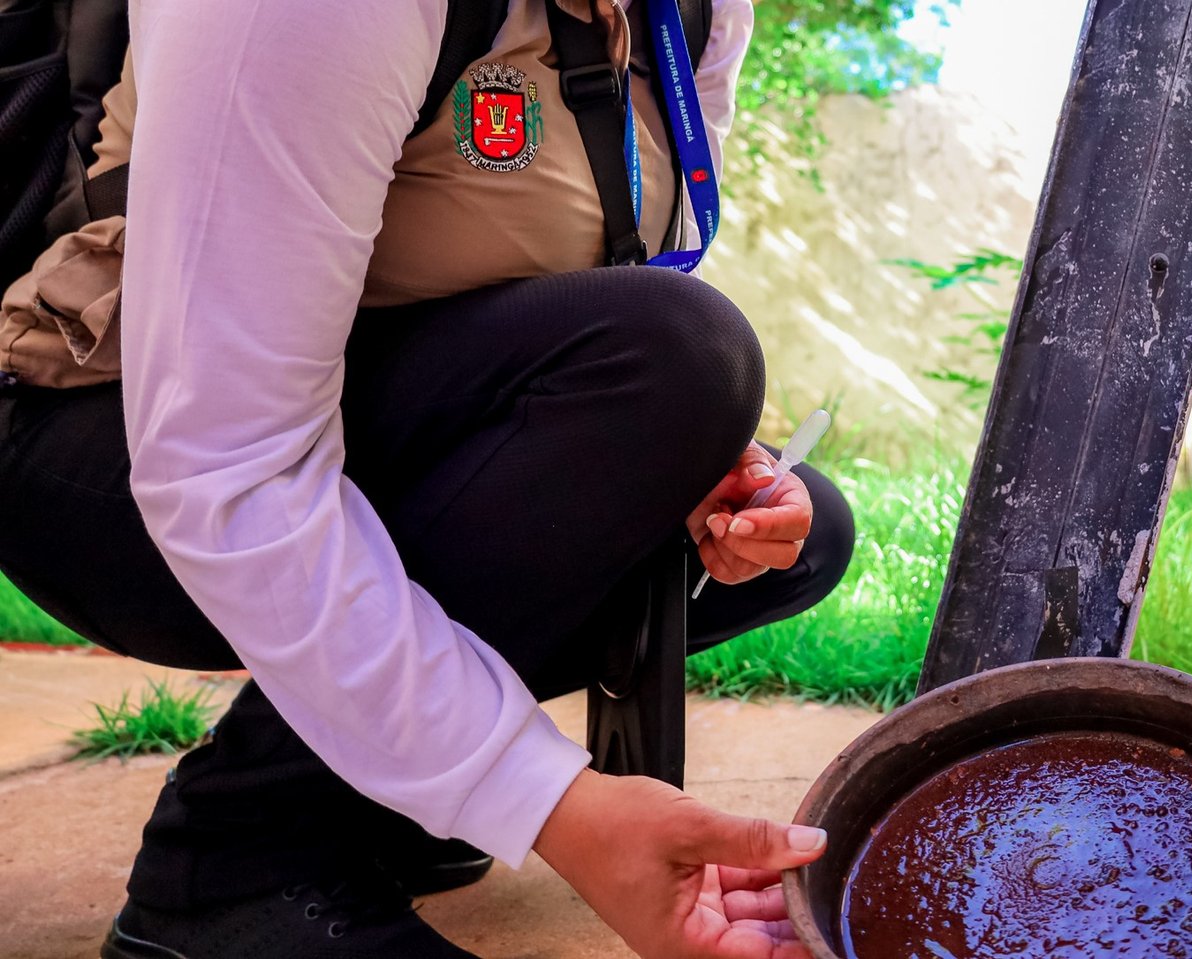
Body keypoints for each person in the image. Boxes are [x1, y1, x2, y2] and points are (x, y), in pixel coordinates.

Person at [0, 1, 854, 956]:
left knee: (798, 532)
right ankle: (233, 863)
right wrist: (551, 804)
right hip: (118, 455)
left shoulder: (691, 12)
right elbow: (224, 470)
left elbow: (627, 286)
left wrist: (687, 462)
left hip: (364, 418)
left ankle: (368, 782)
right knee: (687, 357)